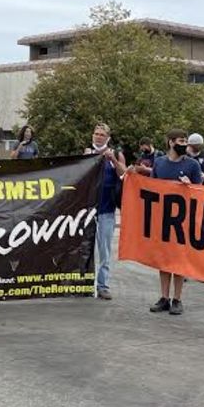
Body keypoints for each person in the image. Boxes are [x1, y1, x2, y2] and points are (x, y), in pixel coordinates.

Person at [147, 129, 202, 315]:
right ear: (171, 142)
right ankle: (164, 297)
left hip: (182, 220)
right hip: (163, 218)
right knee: (163, 260)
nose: (184, 144)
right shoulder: (159, 162)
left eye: (185, 141)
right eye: (180, 141)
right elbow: (151, 188)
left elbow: (202, 193)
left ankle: (177, 299)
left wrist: (190, 186)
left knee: (179, 260)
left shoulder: (192, 165)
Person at [84, 123, 127, 300]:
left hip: (106, 209)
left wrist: (113, 160)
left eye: (102, 134)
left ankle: (102, 285)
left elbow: (124, 174)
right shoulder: (87, 153)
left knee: (104, 251)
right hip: (87, 211)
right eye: (96, 133)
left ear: (108, 137)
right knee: (85, 250)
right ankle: (84, 285)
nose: (98, 136)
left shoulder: (115, 154)